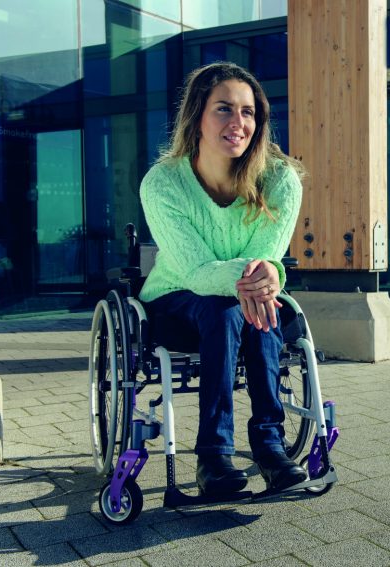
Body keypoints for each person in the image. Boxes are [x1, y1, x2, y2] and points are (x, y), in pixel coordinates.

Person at [138, 62, 305, 496]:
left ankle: (270, 446)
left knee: (256, 306)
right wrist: (258, 277)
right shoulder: (163, 183)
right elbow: (195, 270)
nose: (238, 122)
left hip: (246, 303)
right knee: (230, 307)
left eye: (248, 112)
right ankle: (213, 456)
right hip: (177, 298)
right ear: (197, 116)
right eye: (224, 109)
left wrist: (269, 273)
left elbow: (266, 258)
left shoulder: (280, 179)